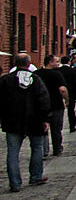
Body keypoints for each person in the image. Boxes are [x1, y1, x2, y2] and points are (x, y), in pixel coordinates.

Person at [0, 53, 51, 191]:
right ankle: (35, 176)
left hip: (12, 120)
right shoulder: (35, 79)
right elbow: (43, 99)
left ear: (15, 63)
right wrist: (45, 118)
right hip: (34, 119)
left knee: (13, 152)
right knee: (37, 147)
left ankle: (15, 183)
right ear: (29, 64)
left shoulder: (6, 80)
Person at [35, 55, 69, 157]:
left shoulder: (36, 74)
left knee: (43, 129)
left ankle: (44, 150)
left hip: (40, 105)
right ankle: (57, 148)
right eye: (56, 61)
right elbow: (62, 89)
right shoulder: (57, 74)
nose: (58, 63)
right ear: (50, 62)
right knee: (56, 128)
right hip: (56, 104)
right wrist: (67, 100)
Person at [59, 54, 76, 133]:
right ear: (69, 62)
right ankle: (72, 126)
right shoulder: (73, 70)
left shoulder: (58, 71)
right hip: (71, 93)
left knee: (60, 111)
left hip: (59, 94)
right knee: (71, 111)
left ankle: (59, 127)